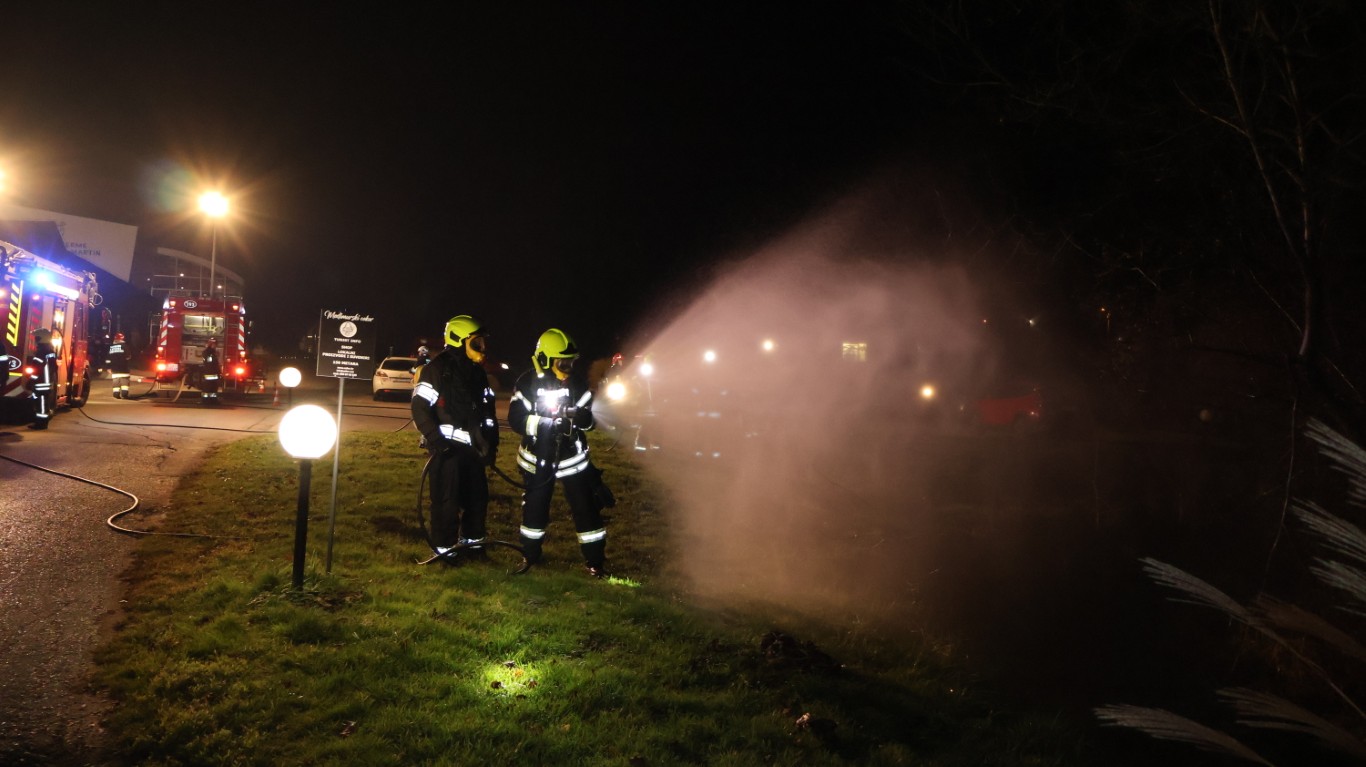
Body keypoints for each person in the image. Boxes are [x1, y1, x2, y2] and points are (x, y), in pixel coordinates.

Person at [507, 328, 609, 578]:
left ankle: (595, 561)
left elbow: (591, 420)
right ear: (545, 359)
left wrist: (584, 419)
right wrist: (546, 425)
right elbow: (516, 419)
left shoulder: (578, 384)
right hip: (537, 459)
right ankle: (530, 555)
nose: (568, 368)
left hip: (573, 460)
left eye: (571, 362)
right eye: (563, 363)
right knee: (535, 509)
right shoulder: (527, 383)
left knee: (586, 509)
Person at [411, 315, 500, 559]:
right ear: (460, 341)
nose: (482, 348)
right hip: (446, 452)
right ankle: (445, 551)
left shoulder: (477, 373)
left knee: (477, 500)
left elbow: (488, 413)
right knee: (446, 502)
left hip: (474, 451)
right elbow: (420, 409)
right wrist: (437, 441)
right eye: (477, 343)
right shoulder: (436, 370)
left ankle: (473, 547)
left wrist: (491, 445)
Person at [26, 328, 58, 430]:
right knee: (43, 403)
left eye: (37, 338)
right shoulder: (51, 352)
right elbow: (54, 368)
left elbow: (36, 370)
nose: (35, 340)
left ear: (41, 339)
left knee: (41, 405)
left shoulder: (41, 353)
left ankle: (41, 424)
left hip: (41, 383)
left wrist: (31, 381)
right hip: (47, 383)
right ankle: (42, 423)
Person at [106, 332, 132, 399]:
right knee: (125, 382)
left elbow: (108, 359)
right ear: (122, 339)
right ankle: (124, 394)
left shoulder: (111, 347)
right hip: (124, 368)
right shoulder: (125, 346)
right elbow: (128, 357)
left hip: (114, 369)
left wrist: (108, 367)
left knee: (116, 382)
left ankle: (116, 394)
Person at [200, 339, 221, 404]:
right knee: (207, 388)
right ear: (211, 345)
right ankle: (206, 400)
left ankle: (213, 400)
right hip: (209, 373)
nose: (215, 346)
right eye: (214, 344)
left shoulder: (211, 352)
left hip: (213, 373)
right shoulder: (208, 353)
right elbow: (210, 362)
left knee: (213, 388)